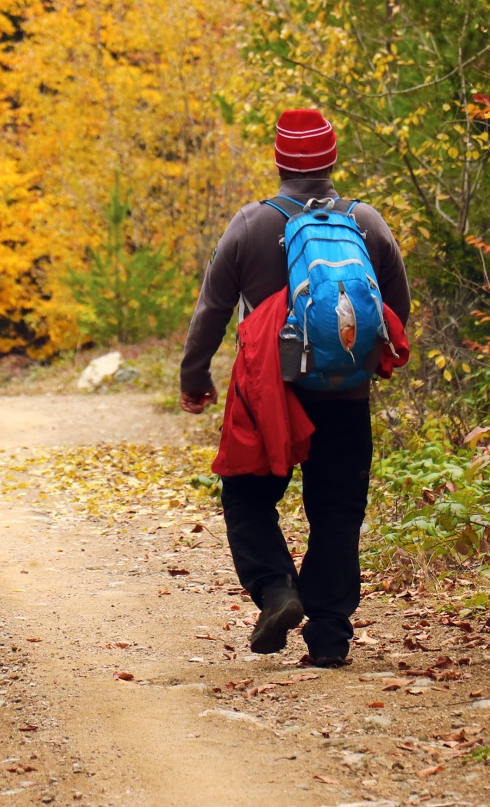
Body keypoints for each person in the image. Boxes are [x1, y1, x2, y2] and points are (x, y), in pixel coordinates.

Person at [179, 109, 410, 667]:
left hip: (268, 397)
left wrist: (195, 378)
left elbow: (211, 310)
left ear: (280, 160)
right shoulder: (367, 223)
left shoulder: (251, 224)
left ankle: (278, 589)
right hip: (346, 398)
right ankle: (329, 638)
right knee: (337, 512)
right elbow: (395, 311)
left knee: (247, 496)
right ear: (331, 159)